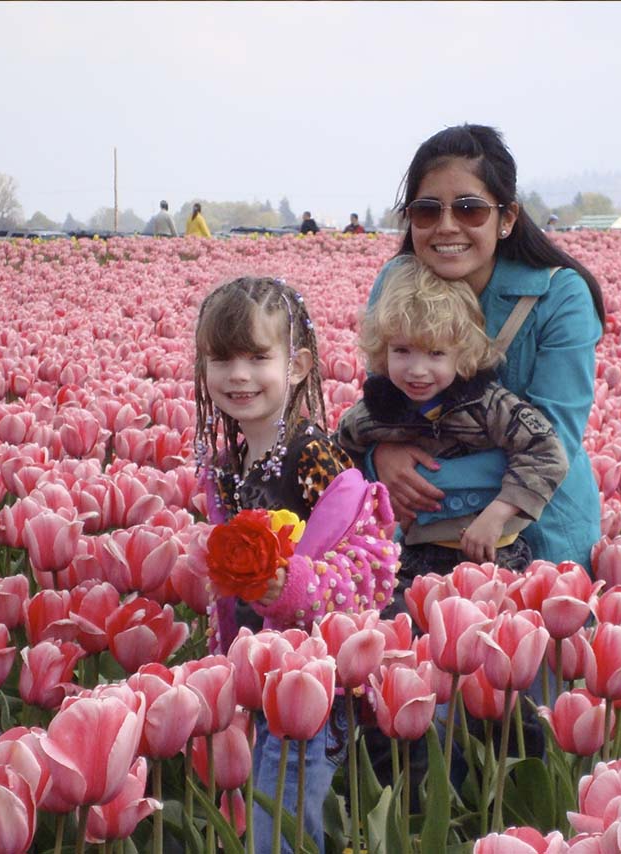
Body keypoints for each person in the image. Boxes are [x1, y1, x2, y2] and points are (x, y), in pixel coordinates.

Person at [194, 276, 398, 853]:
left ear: (299, 365)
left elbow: (371, 564)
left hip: (314, 680)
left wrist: (290, 586)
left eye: (258, 357)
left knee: (282, 821)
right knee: (262, 809)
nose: (238, 375)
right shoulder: (227, 461)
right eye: (221, 359)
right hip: (259, 672)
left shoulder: (313, 455)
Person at [364, 123, 605, 575]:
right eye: (427, 210)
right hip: (426, 536)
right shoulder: (396, 283)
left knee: (533, 642)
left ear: (507, 217)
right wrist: (380, 457)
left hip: (537, 528)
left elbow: (554, 438)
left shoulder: (561, 295)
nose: (447, 226)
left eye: (471, 209)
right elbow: (380, 403)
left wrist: (415, 478)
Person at [339, 255, 568, 601]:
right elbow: (339, 461)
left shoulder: (488, 404)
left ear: (462, 354)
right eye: (402, 351)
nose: (417, 370)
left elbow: (546, 450)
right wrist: (375, 475)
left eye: (435, 354)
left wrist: (497, 514)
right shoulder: (373, 413)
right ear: (381, 351)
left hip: (496, 550)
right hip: (416, 553)